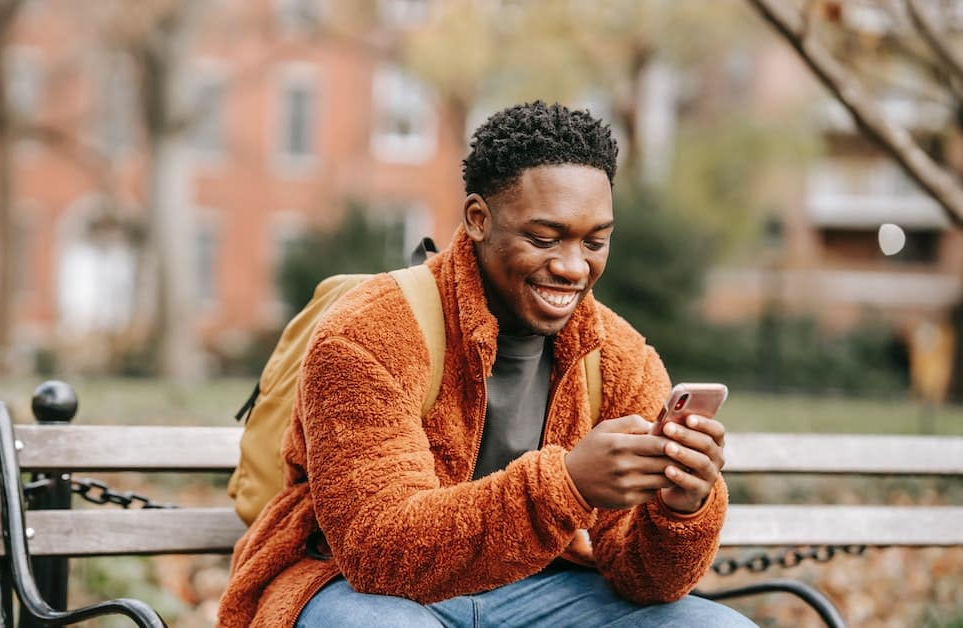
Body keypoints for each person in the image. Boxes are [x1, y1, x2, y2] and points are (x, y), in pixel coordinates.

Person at [218, 101, 755, 627]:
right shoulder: (368, 331)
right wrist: (567, 485)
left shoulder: (618, 357)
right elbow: (377, 553)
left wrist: (681, 506)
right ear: (478, 219)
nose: (573, 267)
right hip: (352, 588)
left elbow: (646, 582)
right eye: (544, 238)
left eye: (595, 241)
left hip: (543, 590)